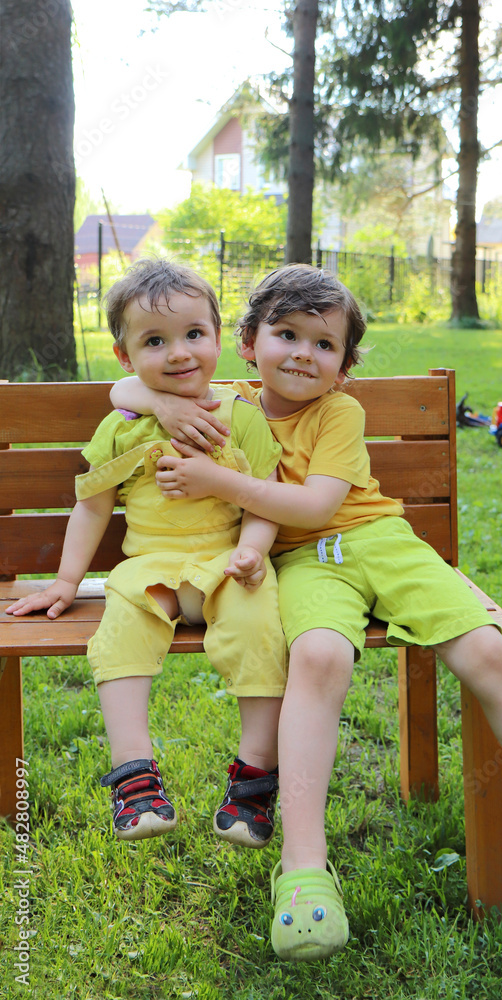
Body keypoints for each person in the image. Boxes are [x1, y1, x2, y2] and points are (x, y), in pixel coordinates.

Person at [110, 264, 502, 959]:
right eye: (285, 334)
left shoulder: (340, 412)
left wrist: (218, 478)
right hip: (301, 564)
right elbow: (126, 385)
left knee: (485, 650)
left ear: (343, 367)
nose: (302, 354)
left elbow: (315, 506)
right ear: (248, 342)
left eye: (323, 344)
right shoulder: (223, 400)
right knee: (317, 656)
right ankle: (304, 869)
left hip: (381, 542)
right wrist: (158, 405)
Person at [6, 259, 287, 848]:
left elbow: (267, 497)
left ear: (217, 338)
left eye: (193, 335)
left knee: (260, 626)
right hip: (149, 570)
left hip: (225, 562)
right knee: (119, 634)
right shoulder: (122, 426)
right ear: (126, 357)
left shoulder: (243, 416)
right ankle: (135, 778)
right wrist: (63, 581)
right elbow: (93, 505)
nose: (179, 353)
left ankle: (254, 782)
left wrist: (255, 550)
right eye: (155, 341)